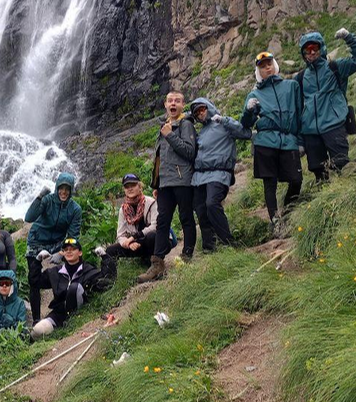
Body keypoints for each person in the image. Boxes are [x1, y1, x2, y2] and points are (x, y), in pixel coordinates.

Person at [138, 91, 198, 283]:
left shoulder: (186, 124)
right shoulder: (164, 126)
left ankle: (187, 256)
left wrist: (170, 134)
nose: (173, 104)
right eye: (170, 100)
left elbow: (190, 152)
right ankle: (157, 263)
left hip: (182, 180)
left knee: (186, 217)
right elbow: (159, 159)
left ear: (183, 104)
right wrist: (157, 183)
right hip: (165, 183)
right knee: (162, 220)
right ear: (165, 104)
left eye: (177, 101)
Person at [241, 52, 303, 231]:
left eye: (269, 63)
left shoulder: (292, 86)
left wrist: (301, 141)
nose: (267, 67)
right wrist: (249, 111)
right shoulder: (254, 94)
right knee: (270, 184)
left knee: (296, 180)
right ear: (258, 71)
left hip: (288, 140)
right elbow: (246, 124)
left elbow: (299, 113)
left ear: (275, 65)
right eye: (262, 66)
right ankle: (276, 221)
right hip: (265, 142)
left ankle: (289, 213)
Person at [297, 28, 356, 181]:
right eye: (307, 50)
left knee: (341, 163)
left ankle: (347, 192)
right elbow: (295, 108)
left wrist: (349, 38)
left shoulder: (335, 67)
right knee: (318, 170)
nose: (311, 53)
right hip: (310, 130)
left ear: (321, 48)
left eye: (314, 48)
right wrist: (299, 140)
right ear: (303, 54)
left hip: (334, 124)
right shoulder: (301, 77)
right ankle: (325, 198)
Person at [189, 97, 252, 251]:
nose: (200, 114)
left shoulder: (223, 124)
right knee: (200, 209)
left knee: (212, 204)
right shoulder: (201, 132)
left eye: (202, 109)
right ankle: (209, 246)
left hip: (218, 172)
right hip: (199, 176)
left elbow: (244, 133)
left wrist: (225, 120)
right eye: (196, 113)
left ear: (209, 107)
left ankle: (228, 242)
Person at [24, 172, 82, 322]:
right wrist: (39, 197)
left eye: (67, 189)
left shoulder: (75, 209)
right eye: (61, 188)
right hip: (36, 241)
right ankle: (36, 320)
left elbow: (73, 235)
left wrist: (62, 252)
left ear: (71, 191)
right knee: (33, 278)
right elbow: (29, 217)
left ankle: (61, 312)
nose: (63, 192)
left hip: (57, 243)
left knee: (62, 275)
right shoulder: (47, 200)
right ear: (56, 188)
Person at [31, 238, 111, 339]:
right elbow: (35, 281)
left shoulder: (88, 270)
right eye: (66, 249)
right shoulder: (55, 272)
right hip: (59, 314)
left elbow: (107, 281)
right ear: (63, 253)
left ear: (80, 253)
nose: (69, 251)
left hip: (80, 313)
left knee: (74, 287)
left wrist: (105, 257)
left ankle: (71, 325)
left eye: (73, 249)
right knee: (37, 331)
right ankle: (29, 345)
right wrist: (37, 261)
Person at [96, 174, 160, 281]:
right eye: (127, 186)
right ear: (124, 190)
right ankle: (109, 280)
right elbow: (120, 235)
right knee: (110, 250)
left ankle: (155, 265)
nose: (130, 188)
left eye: (133, 185)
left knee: (152, 236)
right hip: (134, 245)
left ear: (140, 187)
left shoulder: (151, 202)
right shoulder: (123, 210)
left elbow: (155, 226)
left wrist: (134, 237)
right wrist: (128, 243)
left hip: (154, 242)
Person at [0, 270, 29, 341]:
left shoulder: (20, 303)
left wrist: (13, 323)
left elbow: (23, 329)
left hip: (15, 341)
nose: (4, 286)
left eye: (7, 283)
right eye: (1, 283)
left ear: (13, 285)